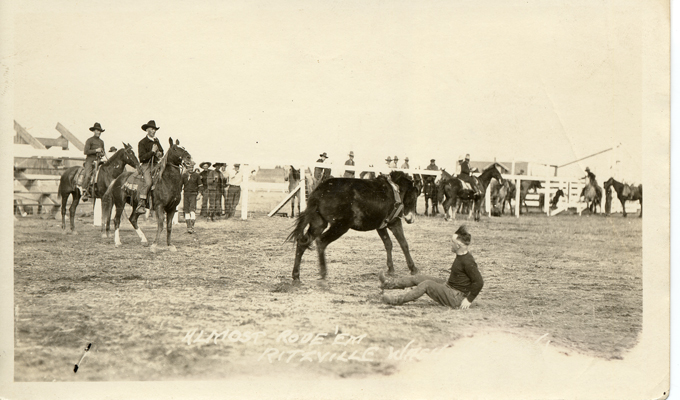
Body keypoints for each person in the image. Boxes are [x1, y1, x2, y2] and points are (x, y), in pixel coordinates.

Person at [380, 225, 484, 309]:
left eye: (452, 242)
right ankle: (388, 284)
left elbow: (479, 282)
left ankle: (396, 300)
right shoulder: (461, 255)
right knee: (418, 277)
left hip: (456, 298)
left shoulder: (468, 261)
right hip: (450, 287)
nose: (450, 244)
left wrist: (468, 300)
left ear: (458, 246)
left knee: (427, 284)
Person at [136, 120, 164, 213]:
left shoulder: (156, 140)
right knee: (148, 182)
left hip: (156, 165)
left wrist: (159, 153)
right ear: (147, 130)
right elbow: (141, 158)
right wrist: (152, 152)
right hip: (146, 165)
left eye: (155, 129)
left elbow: (162, 152)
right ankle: (141, 203)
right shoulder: (142, 142)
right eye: (152, 129)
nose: (154, 131)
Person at [80, 122, 106, 201]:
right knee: (88, 175)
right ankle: (84, 190)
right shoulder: (89, 140)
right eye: (97, 131)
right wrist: (96, 150)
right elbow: (86, 151)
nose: (98, 132)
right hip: (90, 160)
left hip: (99, 160)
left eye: (100, 131)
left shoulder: (101, 142)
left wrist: (102, 153)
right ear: (94, 131)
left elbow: (103, 152)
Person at [181, 161, 203, 233]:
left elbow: (200, 186)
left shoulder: (196, 175)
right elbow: (180, 185)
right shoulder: (184, 175)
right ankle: (188, 227)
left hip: (193, 194)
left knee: (192, 209)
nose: (190, 169)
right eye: (189, 167)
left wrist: (199, 194)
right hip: (186, 194)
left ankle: (192, 227)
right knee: (186, 210)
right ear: (186, 168)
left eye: (192, 167)